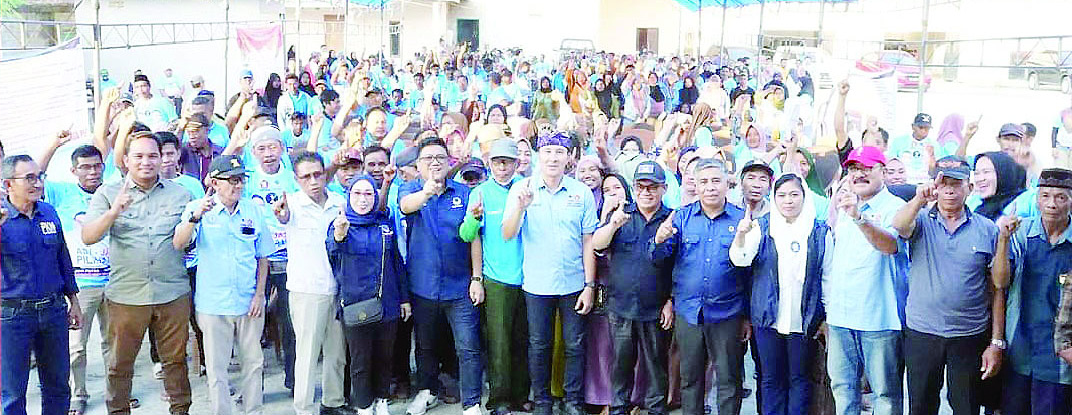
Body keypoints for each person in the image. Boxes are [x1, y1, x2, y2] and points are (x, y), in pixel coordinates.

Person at [82, 134, 194, 415]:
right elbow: (88, 236)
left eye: (153, 156)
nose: (146, 162)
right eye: (139, 156)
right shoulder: (108, 193)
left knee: (176, 361)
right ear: (126, 160)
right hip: (127, 295)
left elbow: (191, 239)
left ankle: (181, 410)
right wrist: (114, 212)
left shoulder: (180, 194)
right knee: (120, 365)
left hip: (172, 293)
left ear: (162, 158)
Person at [892, 155, 1003, 415]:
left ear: (970, 188)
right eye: (943, 184)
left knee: (966, 406)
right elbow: (898, 226)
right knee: (920, 406)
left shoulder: (987, 230)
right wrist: (920, 198)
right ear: (935, 187)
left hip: (968, 335)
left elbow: (998, 289)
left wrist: (996, 342)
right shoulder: (920, 220)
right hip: (922, 332)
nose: (950, 190)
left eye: (957, 183)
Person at [502, 131, 599, 415]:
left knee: (575, 344)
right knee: (539, 345)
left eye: (559, 152)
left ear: (569, 156)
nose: (553, 158)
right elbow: (508, 233)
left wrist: (589, 285)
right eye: (547, 152)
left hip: (573, 283)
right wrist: (520, 206)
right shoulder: (522, 189)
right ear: (537, 156)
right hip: (537, 283)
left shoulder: (580, 192)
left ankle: (572, 400)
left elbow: (588, 241)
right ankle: (542, 400)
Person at [173, 155, 273, 415]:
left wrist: (259, 294)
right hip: (213, 303)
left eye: (241, 180)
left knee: (253, 363)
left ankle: (254, 411)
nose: (238, 186)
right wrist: (196, 216)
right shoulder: (198, 208)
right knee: (217, 369)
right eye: (232, 180)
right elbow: (179, 243)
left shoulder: (253, 209)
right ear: (215, 183)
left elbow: (262, 256)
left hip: (248, 300)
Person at [652, 158, 750, 415]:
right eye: (703, 181)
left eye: (716, 180)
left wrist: (747, 316)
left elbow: (751, 272)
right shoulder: (682, 217)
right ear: (694, 184)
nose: (710, 187)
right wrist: (659, 240)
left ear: (727, 183)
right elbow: (661, 259)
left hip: (728, 313)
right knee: (691, 379)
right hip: (689, 312)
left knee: (729, 381)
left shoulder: (742, 220)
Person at [730, 173, 833, 415]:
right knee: (770, 378)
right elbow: (740, 259)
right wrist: (741, 235)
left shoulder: (819, 232)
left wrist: (826, 316)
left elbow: (827, 277)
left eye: (794, 194)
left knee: (800, 377)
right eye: (782, 195)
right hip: (768, 317)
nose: (788, 201)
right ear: (774, 198)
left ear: (804, 197)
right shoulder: (762, 227)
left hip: (804, 318)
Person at [398, 137, 484, 415]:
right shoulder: (410, 189)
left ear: (449, 162)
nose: (435, 163)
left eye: (440, 157)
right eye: (428, 159)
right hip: (423, 286)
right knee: (425, 346)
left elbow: (473, 237)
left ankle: (472, 402)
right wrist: (427, 192)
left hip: (460, 285)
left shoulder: (464, 192)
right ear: (418, 165)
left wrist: (477, 278)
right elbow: (405, 206)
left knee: (468, 347)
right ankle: (427, 391)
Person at [824, 146, 906, 415]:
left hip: (878, 319)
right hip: (840, 317)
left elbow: (889, 246)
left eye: (867, 168)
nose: (859, 174)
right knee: (843, 388)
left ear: (883, 170)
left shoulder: (896, 208)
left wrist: (859, 217)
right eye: (854, 169)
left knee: (885, 394)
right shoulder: (844, 203)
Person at [591, 161, 674, 415]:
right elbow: (597, 244)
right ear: (633, 188)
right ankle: (619, 409)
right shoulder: (621, 214)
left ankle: (656, 410)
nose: (646, 192)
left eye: (653, 187)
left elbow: (679, 266)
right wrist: (613, 224)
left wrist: (671, 301)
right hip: (621, 306)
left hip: (656, 309)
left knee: (657, 367)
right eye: (641, 186)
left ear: (664, 188)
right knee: (621, 367)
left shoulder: (673, 218)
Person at [1, 155, 82, 415]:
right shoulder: (1, 219)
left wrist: (74, 301)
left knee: (58, 386)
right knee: (13, 393)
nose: (37, 183)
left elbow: (62, 257)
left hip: (53, 311)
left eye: (39, 177)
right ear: (8, 184)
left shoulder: (48, 211)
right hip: (13, 316)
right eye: (29, 178)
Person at [272, 151, 350, 415]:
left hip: (337, 288)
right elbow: (281, 218)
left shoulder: (339, 201)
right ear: (296, 179)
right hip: (306, 290)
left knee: (336, 353)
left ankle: (333, 402)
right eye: (306, 177)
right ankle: (304, 408)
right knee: (306, 354)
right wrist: (281, 215)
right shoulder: (291, 205)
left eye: (318, 174)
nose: (314, 181)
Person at [459, 139, 532, 415]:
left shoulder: (528, 187)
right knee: (498, 341)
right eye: (497, 161)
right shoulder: (480, 192)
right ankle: (499, 399)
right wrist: (477, 278)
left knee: (524, 339)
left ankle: (521, 395)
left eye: (508, 161)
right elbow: (469, 236)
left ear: (517, 163)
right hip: (496, 275)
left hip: (530, 275)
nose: (502, 167)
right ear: (489, 164)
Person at [328, 175, 412, 415]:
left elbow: (396, 262)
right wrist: (339, 236)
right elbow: (333, 254)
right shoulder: (341, 224)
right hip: (356, 304)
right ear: (348, 196)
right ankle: (364, 406)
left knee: (385, 357)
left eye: (368, 194)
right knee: (360, 361)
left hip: (387, 302)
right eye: (357, 193)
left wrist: (404, 298)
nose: (363, 200)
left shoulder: (384, 224)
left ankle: (381, 401)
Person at [993, 167, 1072, 415]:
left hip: (1060, 358)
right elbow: (999, 282)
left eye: (1061, 197)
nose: (1052, 204)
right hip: (1020, 349)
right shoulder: (1022, 233)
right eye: (1045, 196)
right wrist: (1003, 241)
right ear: (1036, 199)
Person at [886, 113, 957, 185]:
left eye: (927, 128)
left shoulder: (934, 144)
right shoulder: (899, 141)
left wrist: (932, 156)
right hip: (902, 183)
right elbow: (891, 163)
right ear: (913, 127)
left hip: (925, 183)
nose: (923, 131)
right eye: (920, 127)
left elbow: (934, 171)